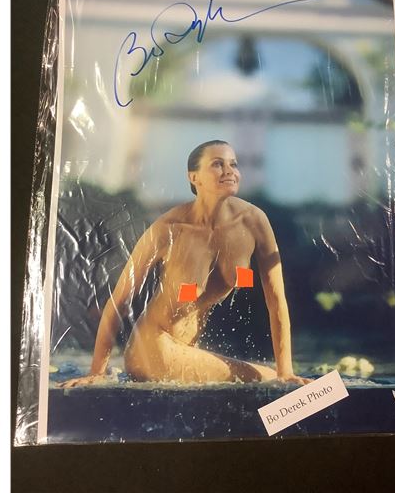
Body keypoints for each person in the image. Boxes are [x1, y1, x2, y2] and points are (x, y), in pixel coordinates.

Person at [60, 140, 311, 387]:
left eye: (233, 164)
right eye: (217, 164)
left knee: (276, 377)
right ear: (194, 177)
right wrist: (97, 372)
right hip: (153, 347)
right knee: (265, 378)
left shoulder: (254, 221)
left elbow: (276, 301)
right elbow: (118, 302)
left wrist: (286, 370)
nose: (229, 171)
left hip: (185, 351)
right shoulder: (168, 228)